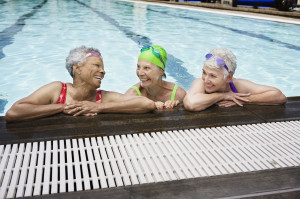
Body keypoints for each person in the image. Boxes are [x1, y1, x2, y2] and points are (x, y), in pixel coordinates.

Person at [5, 46, 156, 122]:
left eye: (102, 67)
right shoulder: (58, 90)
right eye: (96, 66)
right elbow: (13, 113)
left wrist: (99, 107)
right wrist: (63, 107)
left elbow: (147, 104)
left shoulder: (102, 97)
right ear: (77, 68)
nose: (103, 71)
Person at [184, 48, 287, 111]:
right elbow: (191, 104)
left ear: (229, 77)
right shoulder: (200, 83)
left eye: (213, 76)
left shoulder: (238, 85)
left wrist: (244, 100)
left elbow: (279, 96)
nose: (206, 79)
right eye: (204, 72)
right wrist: (224, 96)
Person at [125, 45, 186, 109]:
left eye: (146, 68)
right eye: (138, 67)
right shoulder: (132, 95)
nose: (140, 73)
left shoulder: (179, 94)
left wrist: (177, 106)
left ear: (161, 71)